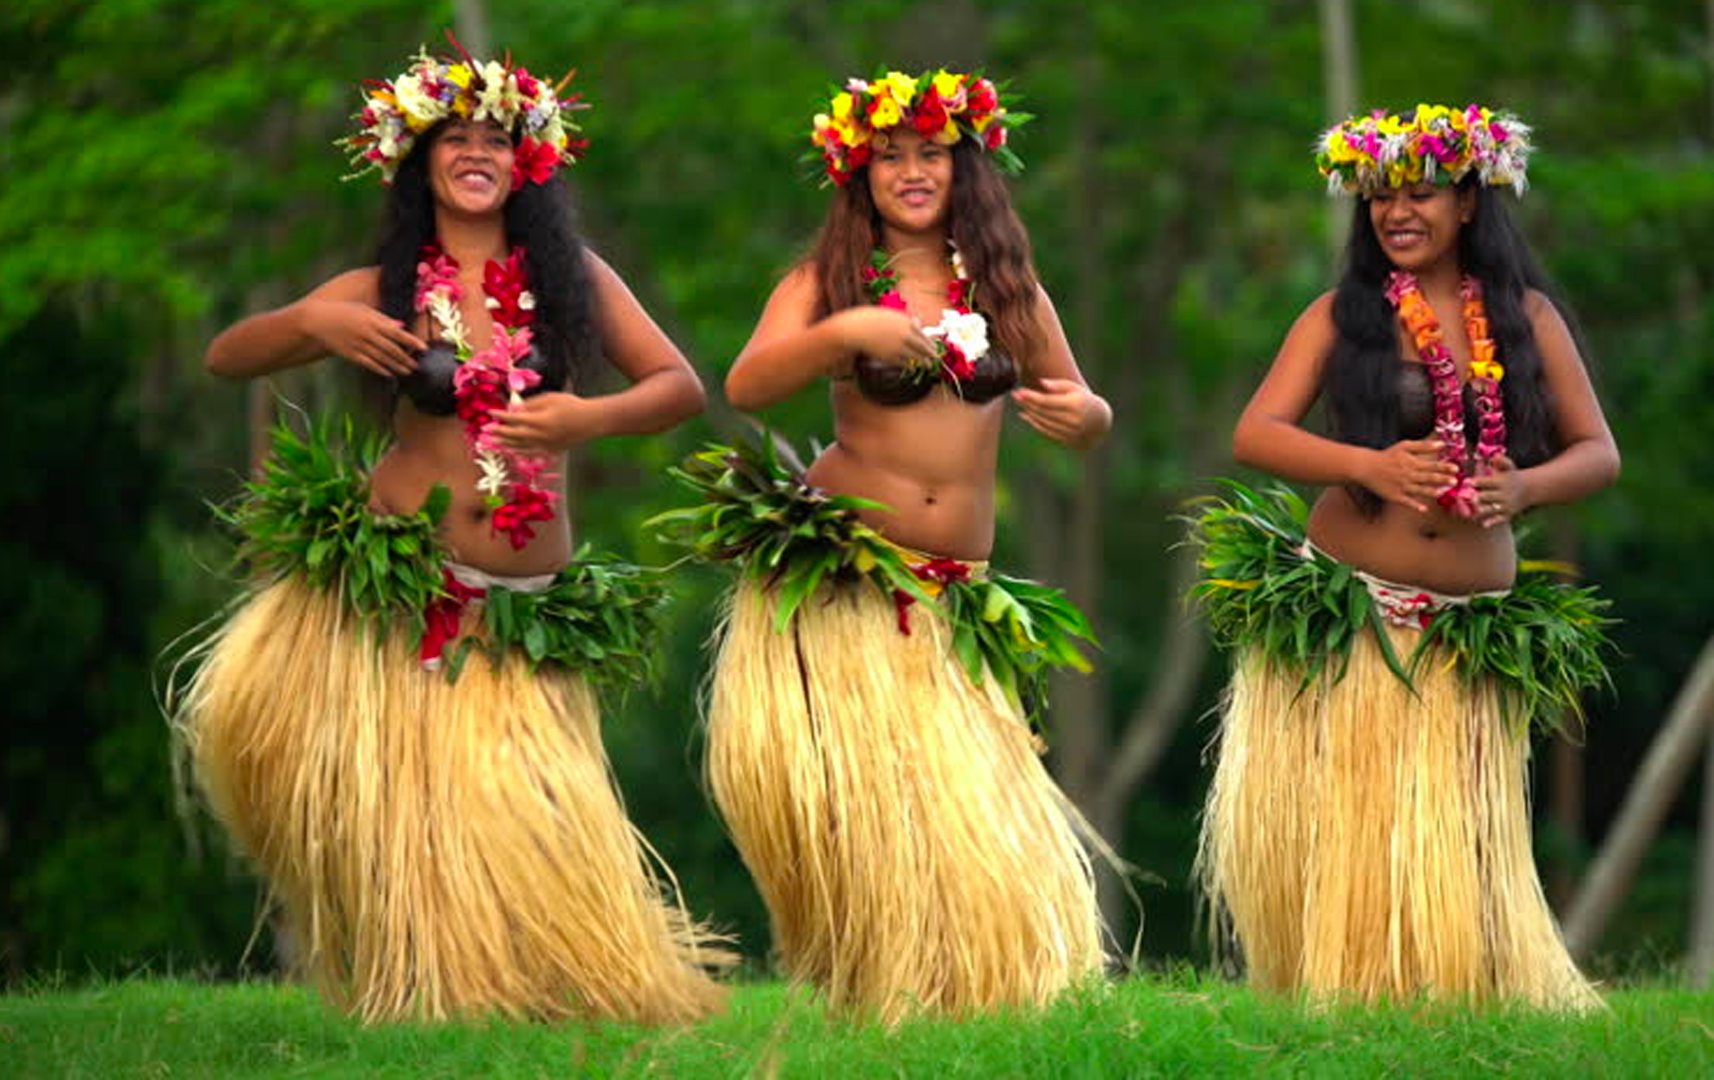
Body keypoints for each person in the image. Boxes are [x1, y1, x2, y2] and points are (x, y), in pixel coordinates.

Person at [172, 41, 728, 1023]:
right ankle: (434, 989)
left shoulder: (571, 281)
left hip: (530, 609)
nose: (476, 153)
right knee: (430, 830)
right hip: (416, 591)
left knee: (533, 817)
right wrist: (314, 324)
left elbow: (678, 385)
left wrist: (582, 418)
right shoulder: (383, 290)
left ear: (529, 165)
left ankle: (539, 981)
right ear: (419, 156)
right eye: (454, 137)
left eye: (496, 141)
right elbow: (228, 356)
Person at [689, 69, 1112, 1022]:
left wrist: (1079, 414)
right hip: (849, 583)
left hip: (956, 591)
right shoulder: (827, 282)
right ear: (859, 175)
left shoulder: (1008, 289)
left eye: (932, 154)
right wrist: (844, 330)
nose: (913, 172)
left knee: (962, 817)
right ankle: (876, 985)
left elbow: (1086, 412)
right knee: (869, 820)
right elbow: (749, 383)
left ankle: (968, 988)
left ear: (969, 168)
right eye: (890, 157)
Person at [1194, 104, 1618, 1009]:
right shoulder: (1340, 316)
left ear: (1470, 202)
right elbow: (1255, 432)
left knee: (1454, 836)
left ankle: (1458, 984)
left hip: (1467, 635)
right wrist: (1367, 465)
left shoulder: (1525, 318)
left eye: (1420, 192)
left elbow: (1598, 452)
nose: (1396, 212)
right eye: (1380, 195)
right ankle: (1341, 983)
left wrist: (1528, 488)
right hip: (1355, 613)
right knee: (1349, 829)